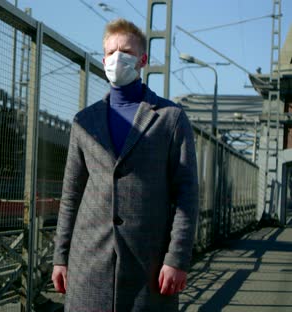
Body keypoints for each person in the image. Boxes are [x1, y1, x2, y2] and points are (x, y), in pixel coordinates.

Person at [51, 18, 199, 311]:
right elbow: (72, 194)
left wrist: (177, 259)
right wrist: (60, 256)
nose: (117, 58)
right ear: (103, 57)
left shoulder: (170, 118)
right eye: (111, 51)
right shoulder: (85, 121)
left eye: (127, 51)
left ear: (143, 60)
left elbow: (187, 194)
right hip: (88, 261)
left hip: (150, 265)